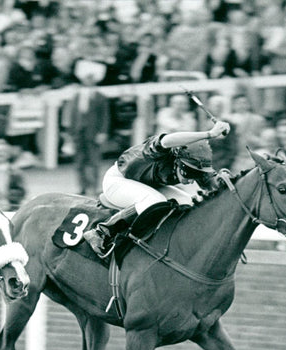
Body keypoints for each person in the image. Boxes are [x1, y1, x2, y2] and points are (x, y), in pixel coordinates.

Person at [83, 119, 231, 256]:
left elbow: (215, 187)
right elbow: (167, 139)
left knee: (188, 203)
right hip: (118, 181)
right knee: (155, 201)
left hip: (146, 184)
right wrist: (210, 134)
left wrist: (227, 180)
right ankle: (101, 232)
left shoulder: (192, 164)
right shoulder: (157, 152)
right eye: (189, 175)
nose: (191, 181)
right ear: (179, 162)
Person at [64, 59, 110, 196]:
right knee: (79, 162)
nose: (88, 80)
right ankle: (82, 186)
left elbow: (105, 116)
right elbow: (71, 115)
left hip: (93, 132)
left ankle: (95, 186)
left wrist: (103, 131)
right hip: (78, 132)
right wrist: (69, 132)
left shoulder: (100, 97)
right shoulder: (76, 96)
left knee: (94, 161)